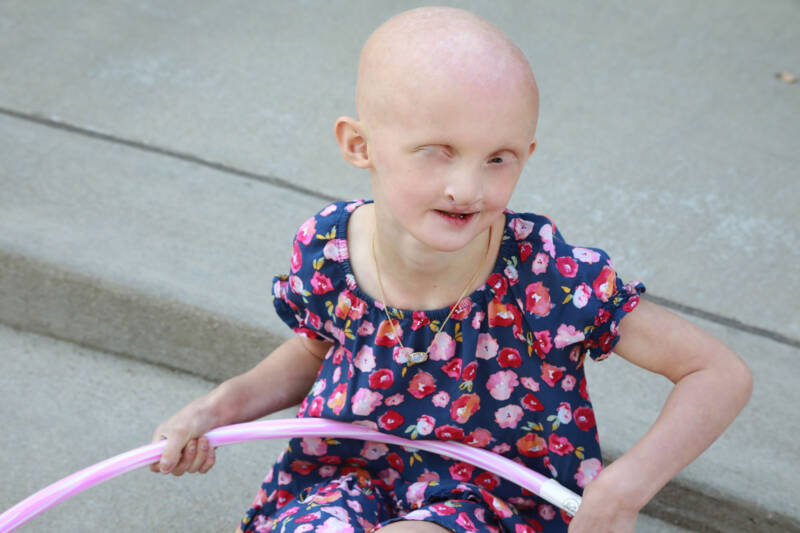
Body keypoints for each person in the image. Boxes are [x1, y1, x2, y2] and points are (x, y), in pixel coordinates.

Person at [150, 7, 752, 533]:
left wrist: (623, 488)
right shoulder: (328, 249)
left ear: (528, 154)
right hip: (351, 476)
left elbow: (717, 372)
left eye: (498, 158)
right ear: (360, 146)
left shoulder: (542, 275)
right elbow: (315, 353)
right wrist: (216, 409)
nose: (466, 187)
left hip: (492, 499)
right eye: (437, 149)